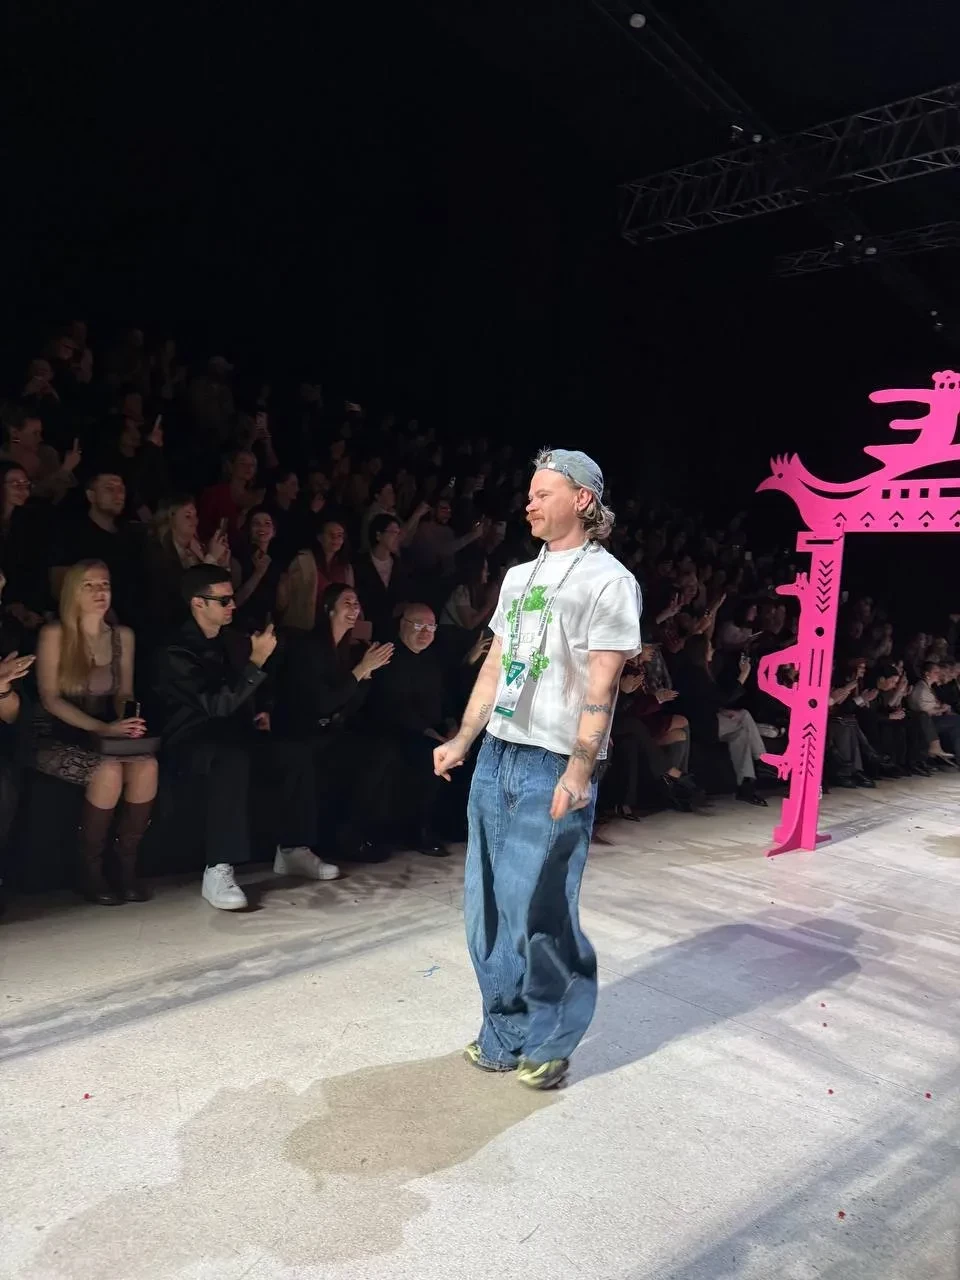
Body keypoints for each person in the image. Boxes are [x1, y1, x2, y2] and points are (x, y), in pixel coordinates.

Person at [434, 448, 642, 1090]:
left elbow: (602, 686)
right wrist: (464, 737)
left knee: (540, 907)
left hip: (553, 761)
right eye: (529, 493)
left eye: (543, 492)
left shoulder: (609, 582)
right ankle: (504, 1035)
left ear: (583, 499)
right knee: (488, 909)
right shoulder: (518, 577)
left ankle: (549, 1041)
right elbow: (497, 663)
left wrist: (579, 771)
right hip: (497, 753)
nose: (529, 503)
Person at [152, 565, 335, 911]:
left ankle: (292, 849)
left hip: (234, 734)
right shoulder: (175, 651)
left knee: (294, 752)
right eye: (223, 600)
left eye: (232, 598)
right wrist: (256, 660)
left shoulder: (230, 639)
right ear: (198, 603)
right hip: (191, 742)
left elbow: (247, 693)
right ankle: (218, 868)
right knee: (230, 759)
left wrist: (261, 708)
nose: (232, 605)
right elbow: (216, 705)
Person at [33, 561, 158, 904]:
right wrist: (102, 727)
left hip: (104, 733)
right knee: (108, 771)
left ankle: (126, 866)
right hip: (57, 734)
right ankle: (89, 869)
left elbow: (125, 692)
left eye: (104, 584)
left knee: (147, 765)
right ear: (72, 592)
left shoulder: (122, 636)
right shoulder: (55, 634)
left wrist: (128, 720)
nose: (99, 592)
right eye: (88, 585)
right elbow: (50, 698)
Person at [274, 583, 394, 862]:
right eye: (347, 603)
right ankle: (324, 843)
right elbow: (321, 702)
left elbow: (349, 705)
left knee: (380, 751)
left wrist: (366, 676)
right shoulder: (308, 646)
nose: (354, 609)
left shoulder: (348, 650)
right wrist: (361, 669)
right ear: (329, 608)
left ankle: (357, 836)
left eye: (357, 604)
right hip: (300, 730)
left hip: (331, 729)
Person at [363, 603, 451, 855]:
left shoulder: (434, 659)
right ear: (402, 625)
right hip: (395, 730)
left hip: (432, 730)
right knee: (427, 753)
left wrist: (454, 728)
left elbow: (447, 699)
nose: (425, 632)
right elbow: (392, 706)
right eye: (418, 625)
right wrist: (434, 734)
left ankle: (452, 826)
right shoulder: (388, 657)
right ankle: (416, 832)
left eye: (431, 627)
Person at [673, 634, 769, 805]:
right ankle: (761, 760)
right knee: (744, 717)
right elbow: (722, 698)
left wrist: (723, 711)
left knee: (741, 732)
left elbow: (710, 701)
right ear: (701, 651)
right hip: (701, 726)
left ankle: (747, 782)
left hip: (705, 719)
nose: (712, 650)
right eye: (709, 647)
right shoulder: (696, 674)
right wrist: (744, 674)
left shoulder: (694, 671)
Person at [49, 471, 144, 628]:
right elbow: (59, 583)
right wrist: (100, 612)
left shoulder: (133, 535)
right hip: (90, 625)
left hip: (135, 623)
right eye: (109, 488)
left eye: (121, 489)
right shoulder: (71, 534)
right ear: (91, 496)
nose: (118, 494)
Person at [144, 495, 231, 629]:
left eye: (195, 515)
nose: (195, 521)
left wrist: (222, 564)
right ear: (170, 518)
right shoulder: (158, 552)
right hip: (174, 624)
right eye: (187, 516)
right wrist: (211, 558)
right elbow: (185, 593)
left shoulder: (198, 548)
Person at [0, 402, 81, 504]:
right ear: (15, 433)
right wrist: (65, 470)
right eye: (35, 433)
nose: (40, 438)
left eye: (40, 433)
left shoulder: (47, 454)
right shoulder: (3, 459)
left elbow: (58, 496)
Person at [353, 514, 412, 637]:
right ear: (378, 535)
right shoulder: (359, 564)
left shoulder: (400, 565)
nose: (398, 537)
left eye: (399, 533)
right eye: (393, 532)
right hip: (367, 628)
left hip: (393, 630)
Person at [196, 449, 263, 544]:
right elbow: (202, 527)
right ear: (231, 466)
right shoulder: (215, 493)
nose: (248, 468)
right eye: (242, 463)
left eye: (252, 465)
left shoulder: (257, 497)